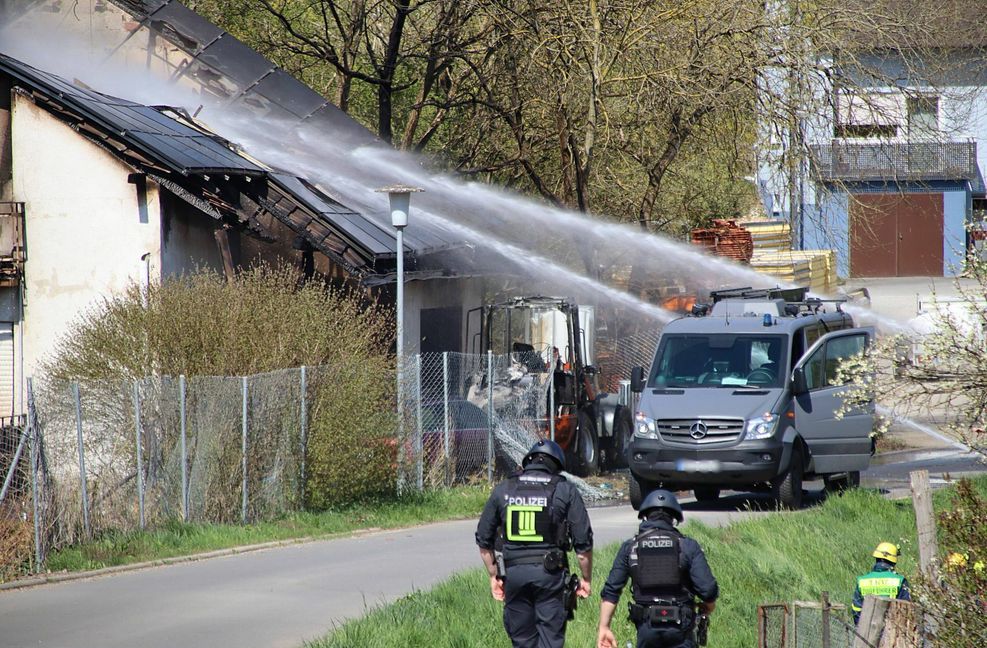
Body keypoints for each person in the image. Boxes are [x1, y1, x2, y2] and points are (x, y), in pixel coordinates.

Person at [475, 439, 594, 648]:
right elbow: (583, 545)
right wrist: (586, 578)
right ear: (556, 465)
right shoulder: (565, 490)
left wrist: (494, 576)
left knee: (522, 641)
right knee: (550, 641)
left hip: (514, 576)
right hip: (550, 577)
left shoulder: (504, 489)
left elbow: (484, 540)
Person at [597, 490, 718, 648]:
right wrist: (708, 607)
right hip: (681, 628)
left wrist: (604, 627)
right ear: (673, 519)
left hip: (647, 628)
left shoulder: (630, 547)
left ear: (645, 517)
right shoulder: (688, 546)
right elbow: (708, 590)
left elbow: (611, 591)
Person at [851, 542, 911, 624]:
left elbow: (857, 610)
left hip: (866, 631)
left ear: (876, 558)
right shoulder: (899, 581)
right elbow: (905, 609)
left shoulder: (862, 581)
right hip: (891, 630)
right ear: (894, 561)